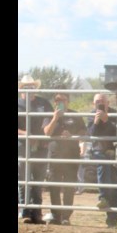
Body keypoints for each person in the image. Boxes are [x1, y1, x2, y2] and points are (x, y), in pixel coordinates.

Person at [41, 93, 82, 225]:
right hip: (55, 155)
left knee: (69, 187)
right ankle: (56, 215)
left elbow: (84, 132)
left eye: (62, 100)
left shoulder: (75, 115)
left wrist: (72, 135)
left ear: (68, 101)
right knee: (54, 186)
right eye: (57, 100)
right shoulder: (50, 115)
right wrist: (55, 118)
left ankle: (66, 216)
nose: (59, 102)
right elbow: (47, 132)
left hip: (72, 155)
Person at [88, 92, 117, 228]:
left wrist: (107, 121)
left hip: (115, 150)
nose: (101, 103)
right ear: (94, 103)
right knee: (103, 167)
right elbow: (91, 134)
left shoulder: (115, 114)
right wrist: (97, 121)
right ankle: (103, 197)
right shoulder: (92, 115)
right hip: (99, 151)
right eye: (98, 101)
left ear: (108, 103)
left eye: (103, 101)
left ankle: (112, 218)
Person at [18, 75, 53, 224]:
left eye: (32, 86)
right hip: (21, 145)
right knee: (23, 178)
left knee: (38, 179)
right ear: (21, 89)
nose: (29, 89)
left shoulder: (43, 103)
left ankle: (37, 212)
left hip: (41, 146)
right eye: (26, 86)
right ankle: (25, 210)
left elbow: (48, 121)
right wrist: (26, 134)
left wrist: (40, 136)